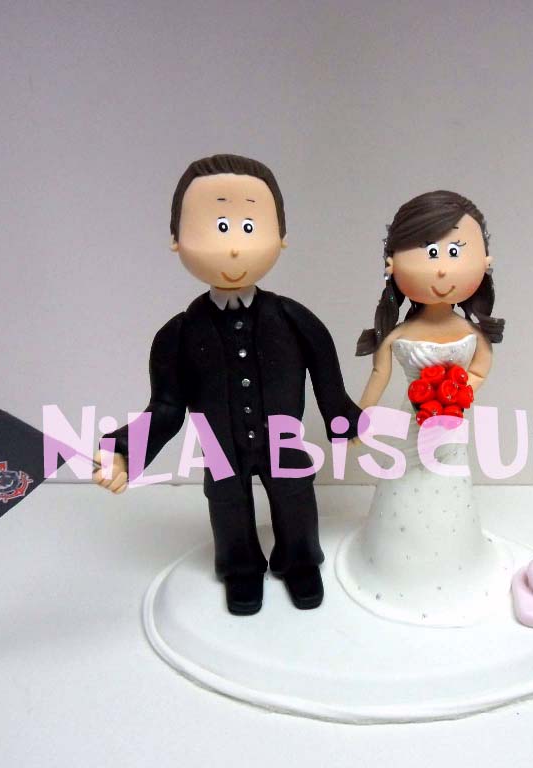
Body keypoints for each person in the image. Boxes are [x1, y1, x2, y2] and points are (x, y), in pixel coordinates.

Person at [95, 154, 361, 616]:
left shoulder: (293, 319)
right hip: (219, 446)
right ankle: (240, 568)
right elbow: (166, 409)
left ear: (281, 235)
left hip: (284, 438)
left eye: (249, 227)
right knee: (227, 503)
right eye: (218, 228)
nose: (234, 247)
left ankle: (299, 559)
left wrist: (343, 418)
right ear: (176, 240)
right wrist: (124, 450)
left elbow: (326, 374)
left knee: (295, 495)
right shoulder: (178, 335)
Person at [335, 190, 511, 626]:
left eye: (455, 251)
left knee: (448, 480)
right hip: (413, 422)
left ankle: (450, 555)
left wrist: (458, 392)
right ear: (391, 264)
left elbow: (481, 368)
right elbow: (379, 377)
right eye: (430, 253)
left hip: (452, 423)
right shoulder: (397, 336)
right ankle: (398, 558)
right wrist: (360, 419)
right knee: (405, 479)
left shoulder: (473, 333)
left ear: (485, 261)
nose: (442, 268)